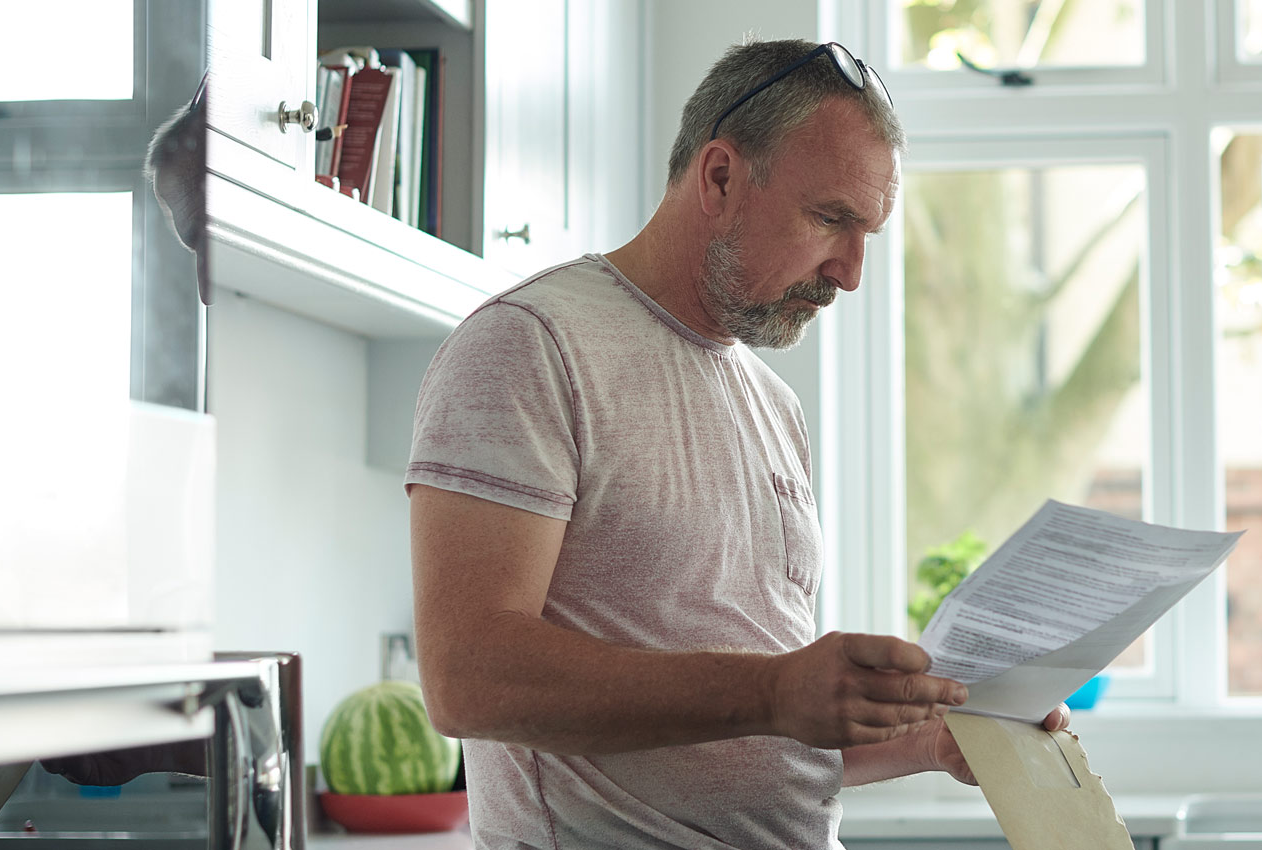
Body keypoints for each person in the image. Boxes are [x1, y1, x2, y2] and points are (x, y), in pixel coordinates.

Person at [405, 39, 1068, 849]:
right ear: (719, 178)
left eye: (869, 232)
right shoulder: (529, 346)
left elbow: (759, 731)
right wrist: (775, 689)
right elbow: (465, 677)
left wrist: (927, 741)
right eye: (831, 218)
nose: (851, 272)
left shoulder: (772, 403)